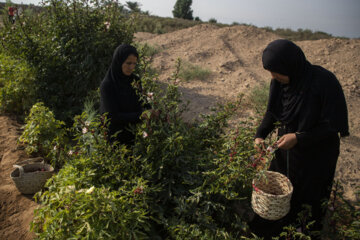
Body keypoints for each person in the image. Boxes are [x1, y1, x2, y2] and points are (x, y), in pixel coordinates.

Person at [249, 39, 349, 239]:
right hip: (286, 150)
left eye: (277, 71)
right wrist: (260, 135)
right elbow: (273, 112)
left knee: (308, 199)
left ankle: (303, 232)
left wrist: (299, 138)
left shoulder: (324, 82)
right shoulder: (279, 81)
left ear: (291, 65)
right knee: (281, 194)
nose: (273, 76)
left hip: (317, 155)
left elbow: (332, 126)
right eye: (271, 72)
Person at [100, 44, 146, 145]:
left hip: (134, 135)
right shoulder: (108, 85)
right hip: (115, 139)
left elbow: (142, 102)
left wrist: (152, 112)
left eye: (134, 63)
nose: (131, 67)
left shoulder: (135, 81)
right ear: (119, 61)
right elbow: (113, 117)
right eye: (128, 63)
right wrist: (141, 116)